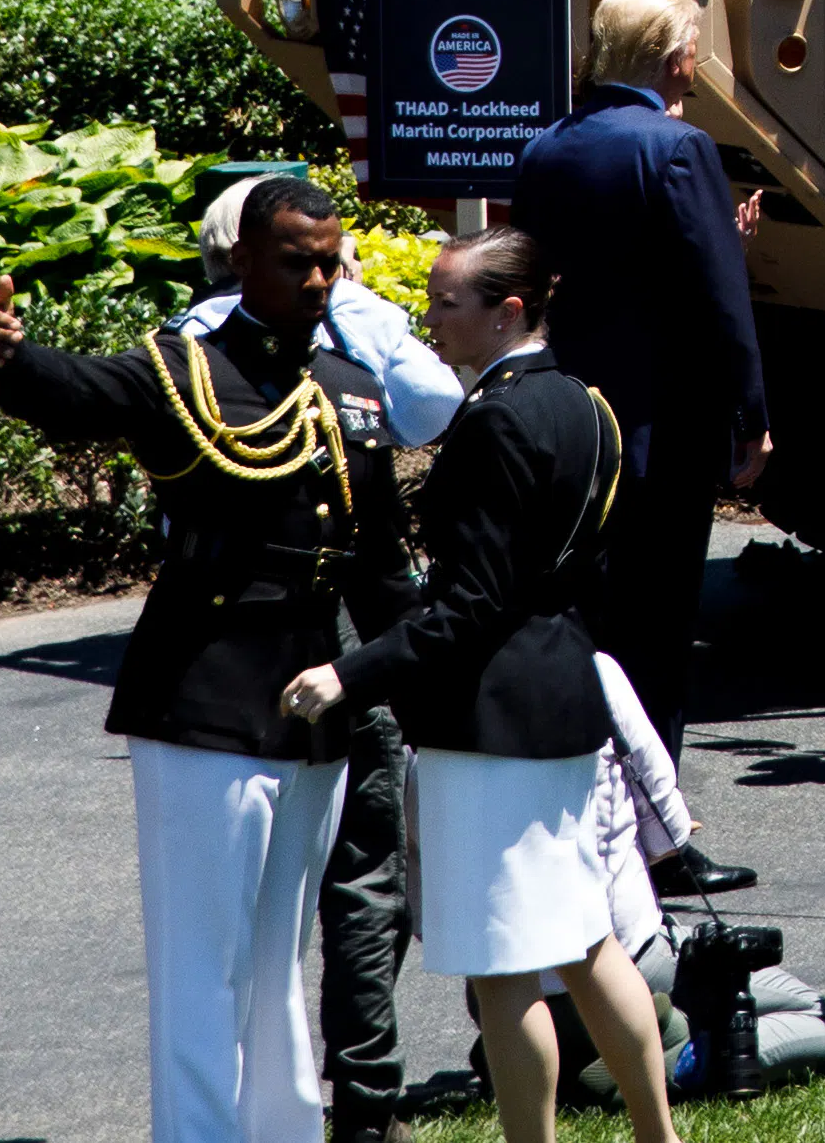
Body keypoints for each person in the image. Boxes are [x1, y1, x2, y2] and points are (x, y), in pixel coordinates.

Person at [0, 176, 419, 1143]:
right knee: (202, 967)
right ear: (243, 262)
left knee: (275, 962)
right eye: (297, 262)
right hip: (203, 695)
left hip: (313, 709)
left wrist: (421, 678)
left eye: (332, 262)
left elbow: (380, 565)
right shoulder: (182, 374)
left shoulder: (347, 392)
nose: (319, 281)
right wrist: (0, 362)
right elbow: (77, 391)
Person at [290, 233, 669, 1143]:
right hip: (562, 692)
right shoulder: (586, 401)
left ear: (508, 312)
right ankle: (660, 1137)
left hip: (493, 714)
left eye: (447, 302)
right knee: (584, 942)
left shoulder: (499, 418)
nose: (431, 317)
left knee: (504, 965)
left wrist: (348, 673)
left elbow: (471, 603)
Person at [174, 173, 468, 1136]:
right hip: (343, 624)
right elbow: (436, 409)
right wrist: (368, 323)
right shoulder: (354, 330)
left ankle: (254, 1095)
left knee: (244, 893)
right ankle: (366, 1095)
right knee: (361, 861)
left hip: (223, 641)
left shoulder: (181, 351)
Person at [511, 0, 765, 894]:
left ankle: (589, 820)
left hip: (575, 423)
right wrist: (753, 415)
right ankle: (658, 840)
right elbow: (716, 297)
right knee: (657, 634)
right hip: (666, 427)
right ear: (675, 60)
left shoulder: (545, 146)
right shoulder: (680, 146)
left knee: (593, 621)